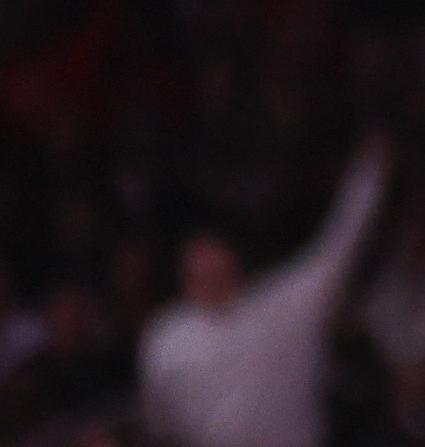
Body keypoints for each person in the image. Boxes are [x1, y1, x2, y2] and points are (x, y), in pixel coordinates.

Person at [139, 141, 387, 447]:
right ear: (185, 280)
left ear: (237, 269)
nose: (212, 280)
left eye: (219, 271)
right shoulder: (165, 335)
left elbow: (342, 243)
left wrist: (370, 172)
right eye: (202, 275)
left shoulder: (285, 306)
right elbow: (160, 422)